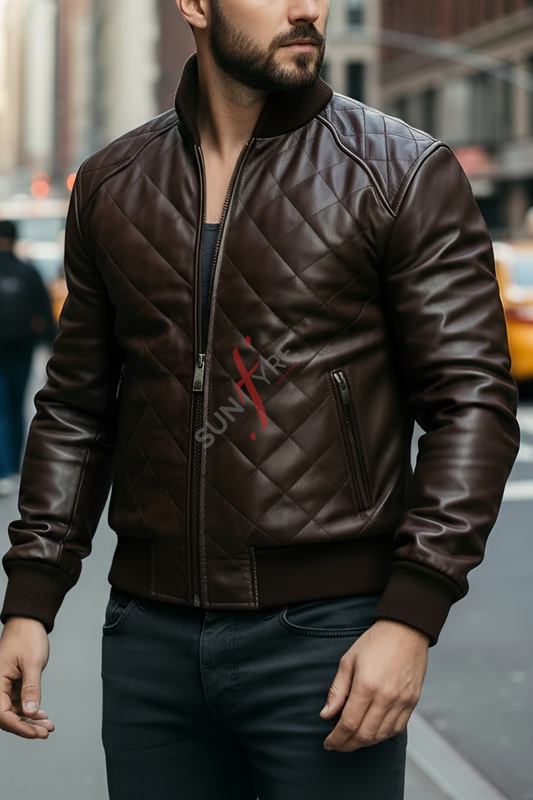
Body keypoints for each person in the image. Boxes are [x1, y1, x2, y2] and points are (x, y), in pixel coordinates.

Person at [0, 0, 520, 798]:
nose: (307, 6)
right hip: (148, 639)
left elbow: (471, 406)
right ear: (196, 7)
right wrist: (31, 597)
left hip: (327, 642)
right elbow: (76, 407)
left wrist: (411, 613)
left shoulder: (400, 169)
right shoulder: (111, 183)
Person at [0, 220, 56, 496]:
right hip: (22, 348)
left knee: (1, 408)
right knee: (15, 407)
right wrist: (51, 346)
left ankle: (5, 468)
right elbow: (44, 312)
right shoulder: (28, 271)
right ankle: (15, 467)